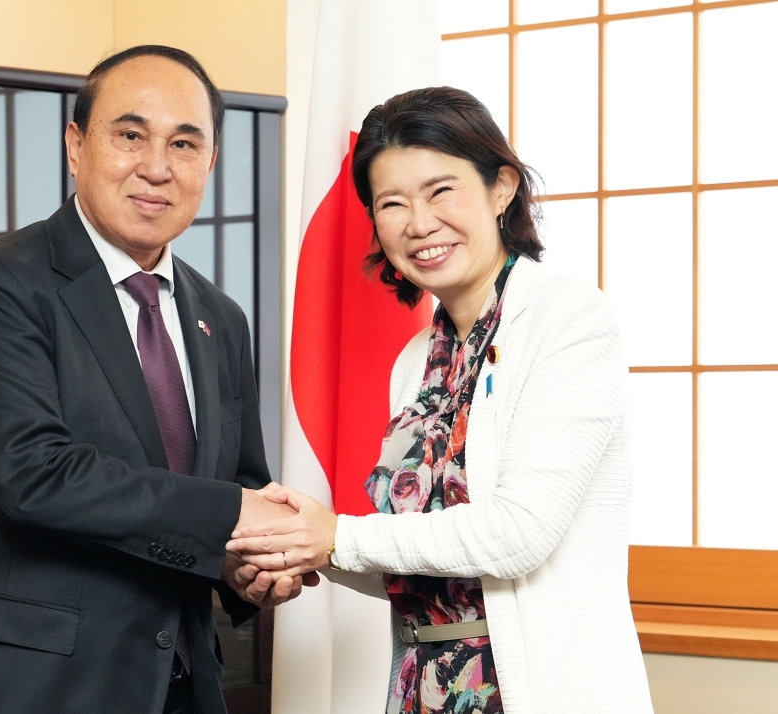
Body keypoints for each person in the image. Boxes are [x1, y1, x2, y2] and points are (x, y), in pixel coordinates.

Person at [0, 46, 314, 714]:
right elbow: (32, 476)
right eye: (130, 136)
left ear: (210, 162)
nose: (156, 167)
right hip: (33, 691)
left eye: (185, 144)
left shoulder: (220, 317)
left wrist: (246, 568)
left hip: (184, 688)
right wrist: (233, 516)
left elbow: (233, 485)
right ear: (77, 144)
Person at [227, 87, 654, 714]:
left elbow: (519, 535)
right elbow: (423, 566)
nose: (418, 223)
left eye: (440, 191)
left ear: (502, 187)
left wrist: (337, 537)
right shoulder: (416, 361)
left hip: (538, 692)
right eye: (391, 203)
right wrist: (297, 545)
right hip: (422, 690)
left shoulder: (566, 319)